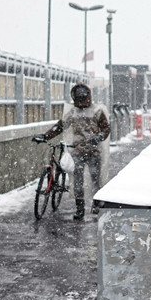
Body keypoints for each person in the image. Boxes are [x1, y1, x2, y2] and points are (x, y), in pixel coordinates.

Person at [32, 83, 111, 220]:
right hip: (79, 151)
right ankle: (80, 209)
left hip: (92, 151)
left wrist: (99, 137)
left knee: (94, 180)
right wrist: (45, 136)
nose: (80, 101)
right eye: (78, 98)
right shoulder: (73, 112)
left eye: (82, 97)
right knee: (78, 182)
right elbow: (60, 126)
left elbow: (106, 128)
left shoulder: (97, 111)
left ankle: (95, 205)